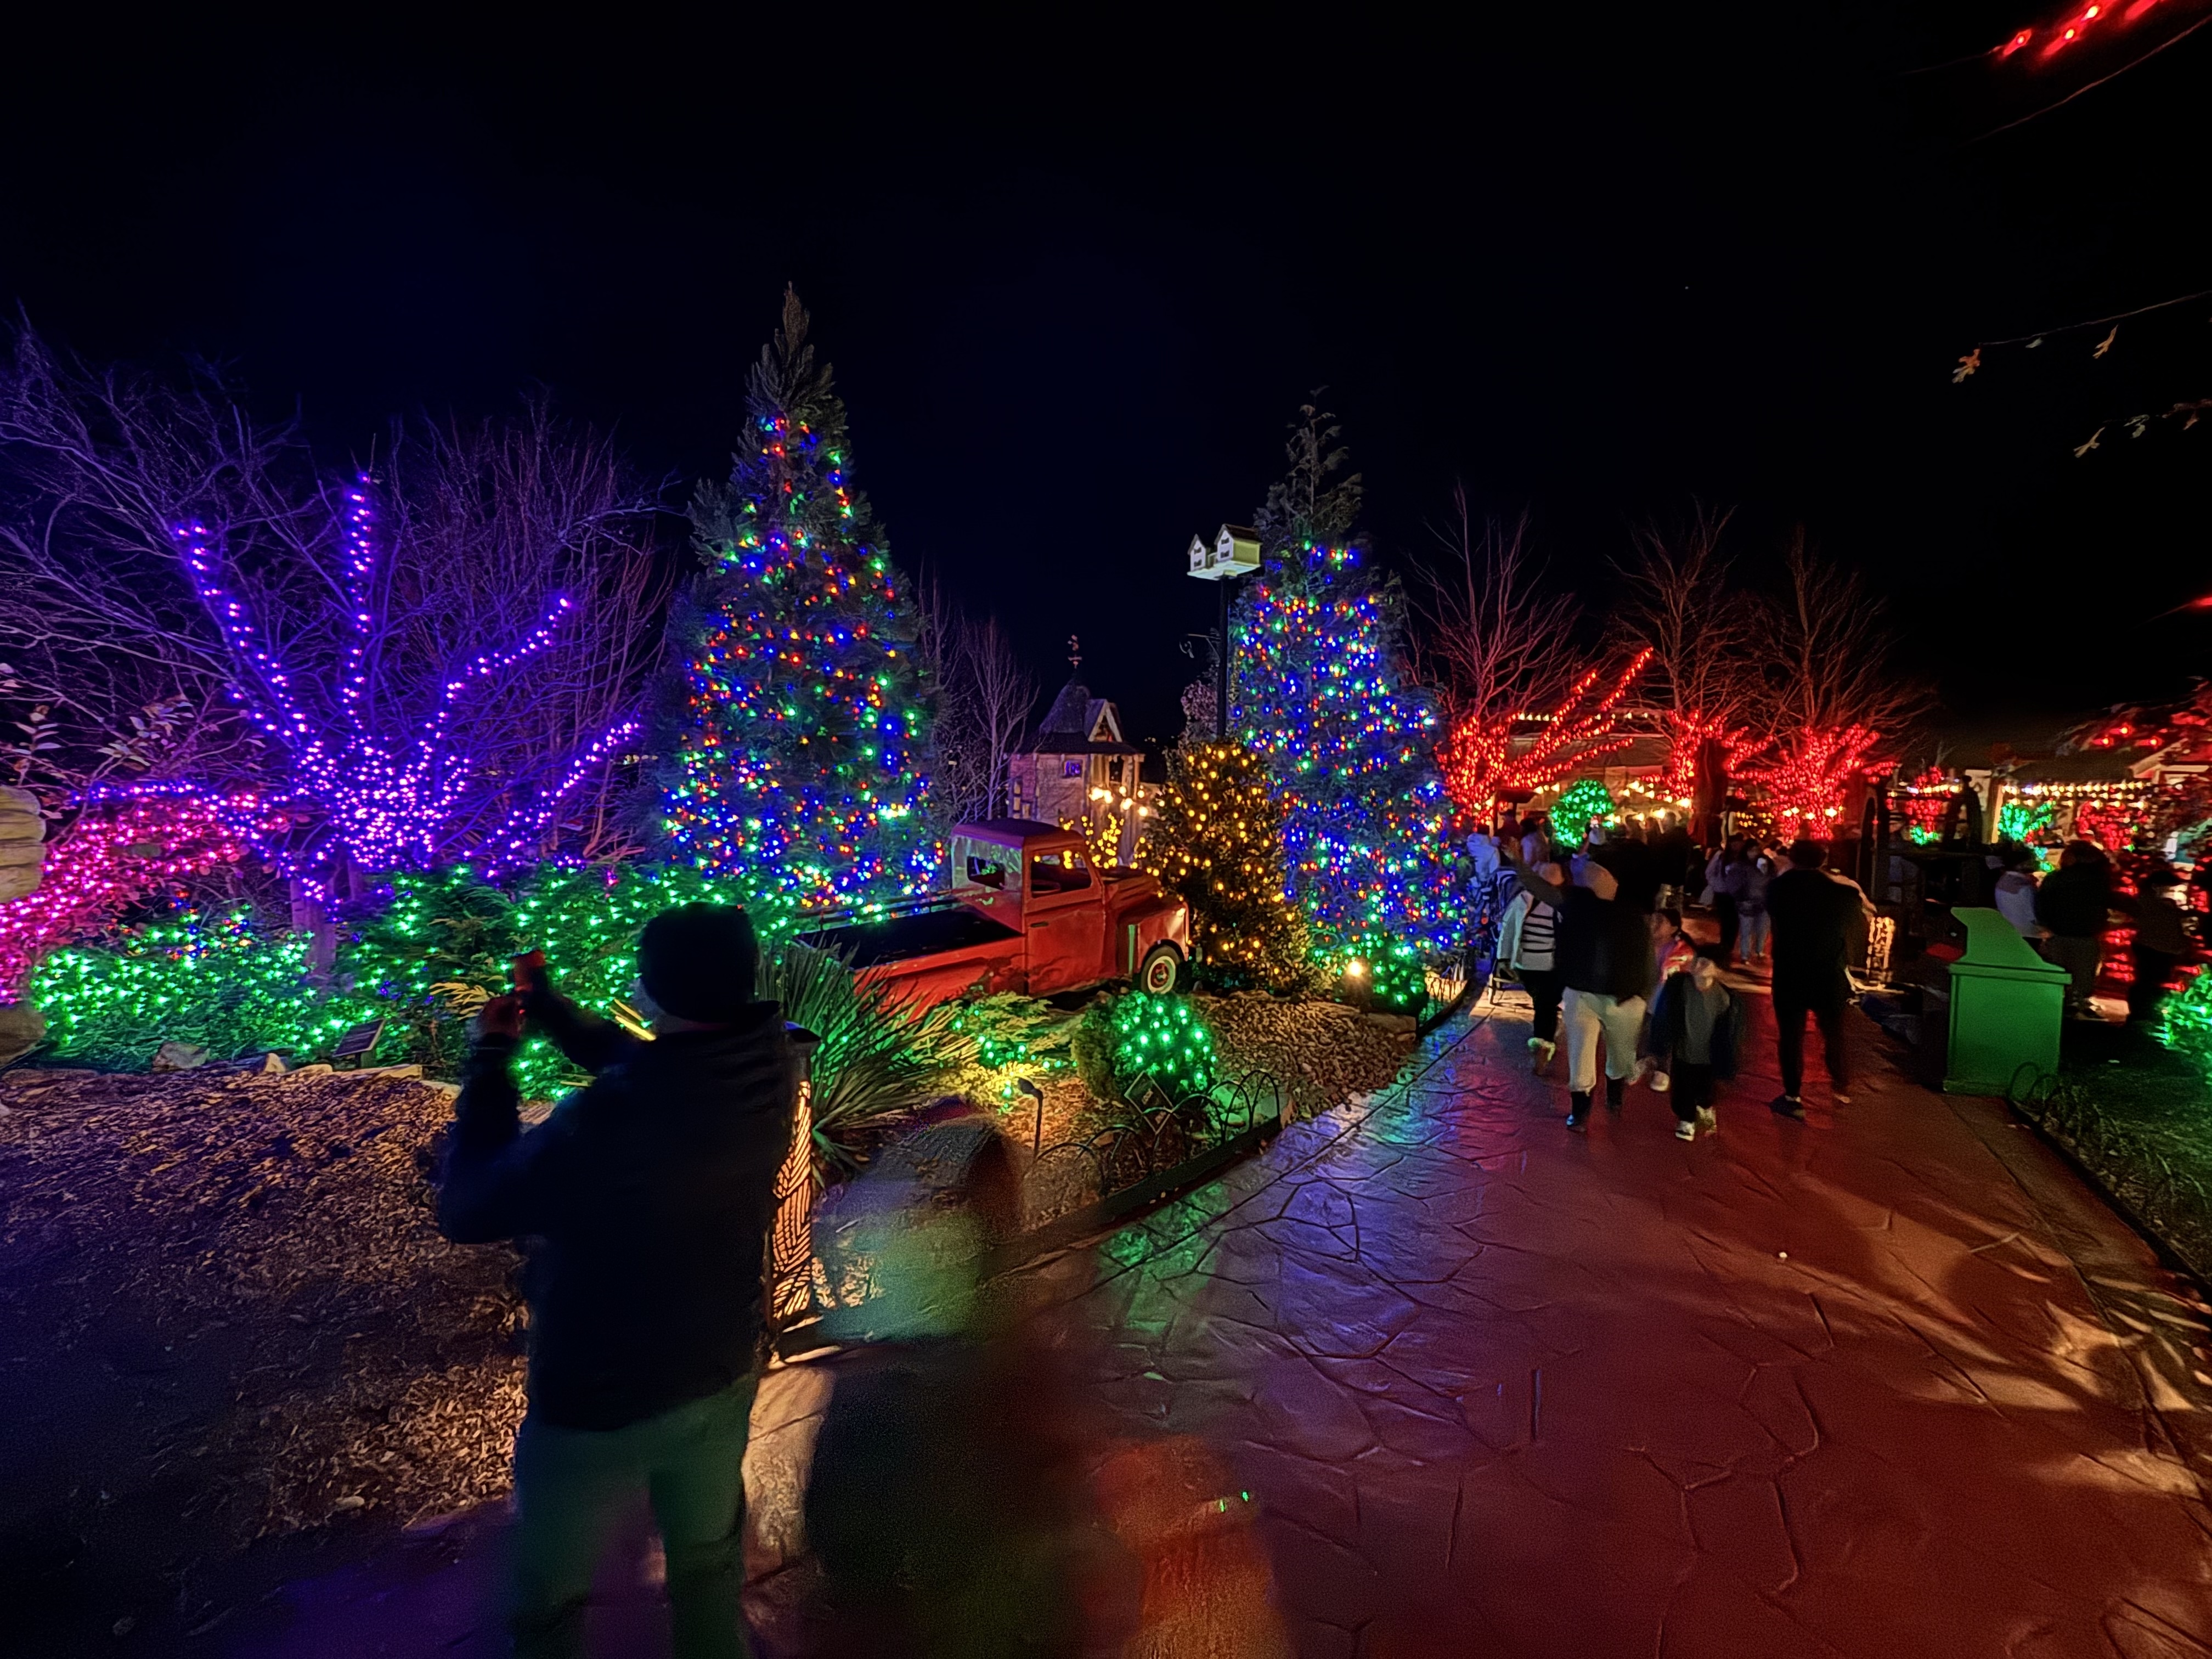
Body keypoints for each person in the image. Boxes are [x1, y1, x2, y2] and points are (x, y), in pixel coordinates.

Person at [438, 905, 799, 1659]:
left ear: (652, 986)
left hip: (597, 1402)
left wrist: (491, 1062)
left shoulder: (605, 1123)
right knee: (708, 1569)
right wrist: (549, 1008)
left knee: (548, 1604)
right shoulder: (767, 1060)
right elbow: (648, 1063)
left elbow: (471, 1207)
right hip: (720, 1371)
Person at [1502, 837, 1657, 1130]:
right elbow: (1542, 889)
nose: (1587, 871)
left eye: (1594, 867)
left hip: (1623, 999)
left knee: (1621, 1058)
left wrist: (1642, 995)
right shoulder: (1576, 901)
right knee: (1580, 1051)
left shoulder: (1634, 913)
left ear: (1609, 876)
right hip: (1581, 993)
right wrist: (1519, 862)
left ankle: (1615, 1091)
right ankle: (1581, 1109)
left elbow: (1647, 958)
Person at [1763, 838, 1870, 1119]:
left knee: (1791, 1036)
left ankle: (1793, 1096)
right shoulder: (1843, 895)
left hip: (1790, 971)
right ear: (1823, 860)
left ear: (1793, 859)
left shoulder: (1778, 889)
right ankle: (1841, 1087)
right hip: (1828, 972)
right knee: (1834, 1032)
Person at [1644, 944, 1746, 1141]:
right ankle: (1686, 1119)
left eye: (1705, 962)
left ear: (1717, 970)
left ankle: (1705, 1106)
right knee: (1682, 1088)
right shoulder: (1679, 987)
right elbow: (1663, 1015)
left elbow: (1732, 1033)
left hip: (1709, 1057)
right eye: (1697, 959)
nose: (1697, 964)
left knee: (1705, 1090)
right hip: (1683, 1051)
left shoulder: (1725, 999)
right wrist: (1660, 1043)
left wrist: (1729, 1059)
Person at [1498, 860, 1567, 1074]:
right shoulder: (1559, 904)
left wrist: (1503, 959)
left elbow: (1507, 929)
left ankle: (1543, 1044)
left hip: (1531, 965)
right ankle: (1544, 1043)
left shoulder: (1524, 900)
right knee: (1545, 1004)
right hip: (1544, 966)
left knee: (1543, 1004)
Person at [2035, 840, 2115, 1019]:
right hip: (2085, 933)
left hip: (2058, 932)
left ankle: (2062, 1002)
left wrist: (2047, 924)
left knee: (2060, 969)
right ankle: (2079, 1001)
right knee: (2084, 971)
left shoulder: (2056, 879)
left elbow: (2042, 903)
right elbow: (2104, 902)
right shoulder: (2097, 880)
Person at [2123, 868, 2192, 1024]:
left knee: (2149, 982)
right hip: (2155, 948)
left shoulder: (2150, 902)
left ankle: (2144, 1013)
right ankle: (2143, 1013)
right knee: (2149, 982)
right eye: (2170, 888)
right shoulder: (2151, 903)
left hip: (2158, 948)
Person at [1706, 836, 1748, 965]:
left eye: (1739, 844)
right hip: (1723, 893)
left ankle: (1729, 945)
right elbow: (1710, 872)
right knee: (1725, 919)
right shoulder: (1721, 856)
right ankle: (1724, 944)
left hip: (1736, 894)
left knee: (1734, 920)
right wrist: (1716, 885)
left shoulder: (1744, 859)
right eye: (1735, 844)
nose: (1737, 846)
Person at [1993, 845, 2044, 940]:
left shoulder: (2003, 881)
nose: (2036, 862)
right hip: (2031, 934)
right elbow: (2034, 915)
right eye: (2032, 860)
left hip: (2012, 929)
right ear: (2021, 865)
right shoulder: (2024, 888)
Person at [1737, 849, 1774, 967]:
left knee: (1761, 930)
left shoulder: (1772, 875)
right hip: (1748, 904)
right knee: (1746, 930)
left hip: (1763, 906)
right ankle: (1745, 955)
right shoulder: (1748, 872)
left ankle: (1758, 950)